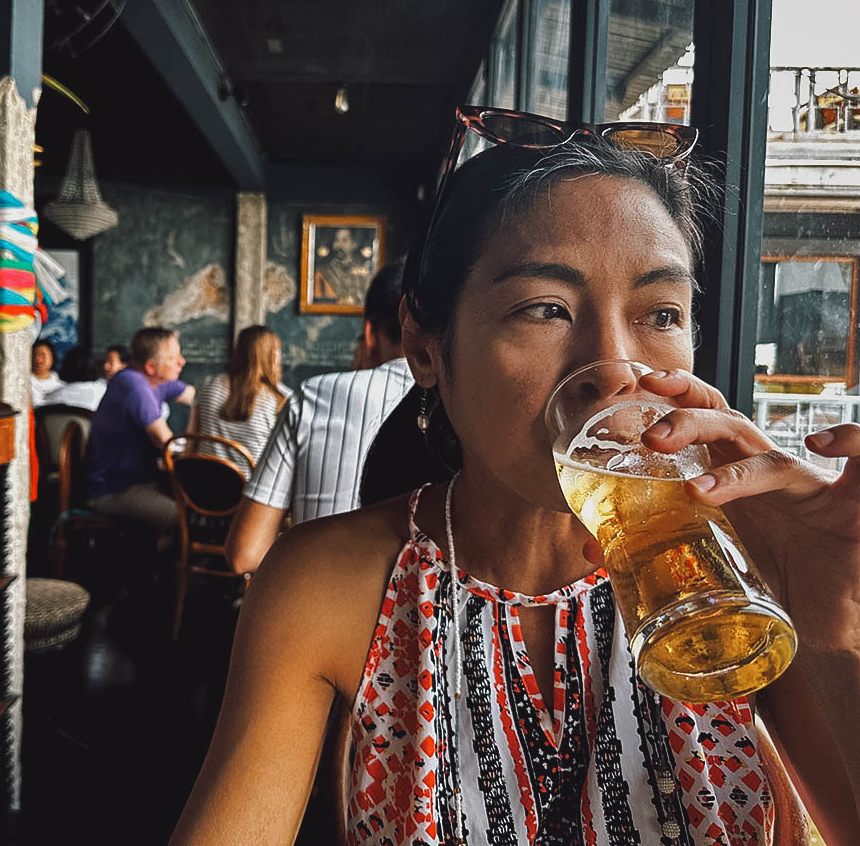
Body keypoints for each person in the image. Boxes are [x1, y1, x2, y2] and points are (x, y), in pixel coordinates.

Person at [172, 130, 860, 845]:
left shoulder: (734, 575)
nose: (615, 369)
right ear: (425, 347)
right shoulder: (329, 585)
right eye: (546, 308)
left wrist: (834, 628)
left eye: (660, 314)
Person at [224, 262, 414, 575]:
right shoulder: (471, 408)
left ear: (369, 334)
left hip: (317, 609)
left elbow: (244, 554)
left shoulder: (312, 397)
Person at [86, 327, 195, 532]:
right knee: (184, 517)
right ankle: (163, 562)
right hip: (114, 491)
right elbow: (165, 440)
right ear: (151, 367)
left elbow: (197, 397)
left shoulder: (156, 381)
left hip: (139, 482)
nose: (182, 362)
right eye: (173, 358)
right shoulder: (133, 384)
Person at [190, 326, 290, 477]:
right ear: (273, 356)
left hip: (201, 487)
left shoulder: (207, 385)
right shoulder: (280, 398)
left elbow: (192, 439)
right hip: (251, 495)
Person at [313, 227, 372, 306]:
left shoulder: (365, 273)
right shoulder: (322, 272)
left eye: (344, 241)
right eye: (336, 241)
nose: (339, 246)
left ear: (354, 244)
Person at [30, 340, 63, 406]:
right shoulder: (23, 382)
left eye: (42, 355)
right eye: (34, 355)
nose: (38, 359)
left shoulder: (61, 383)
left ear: (52, 357)